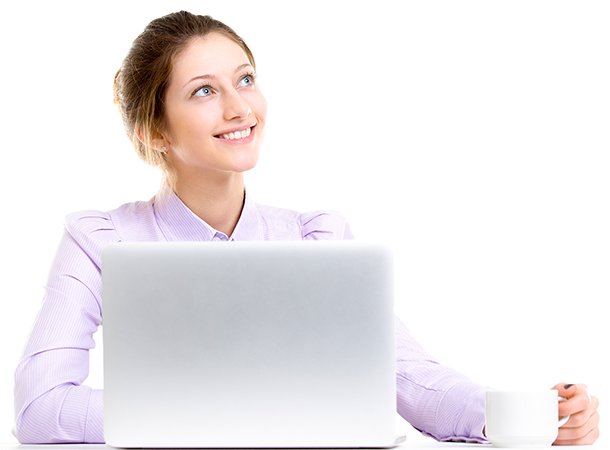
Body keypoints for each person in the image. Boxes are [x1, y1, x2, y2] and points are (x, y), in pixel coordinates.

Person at [13, 10, 599, 446]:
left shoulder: (315, 240)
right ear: (155, 132)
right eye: (203, 92)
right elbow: (40, 408)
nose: (240, 108)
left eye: (244, 79)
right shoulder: (101, 243)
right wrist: (219, 413)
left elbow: (405, 376)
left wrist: (514, 411)